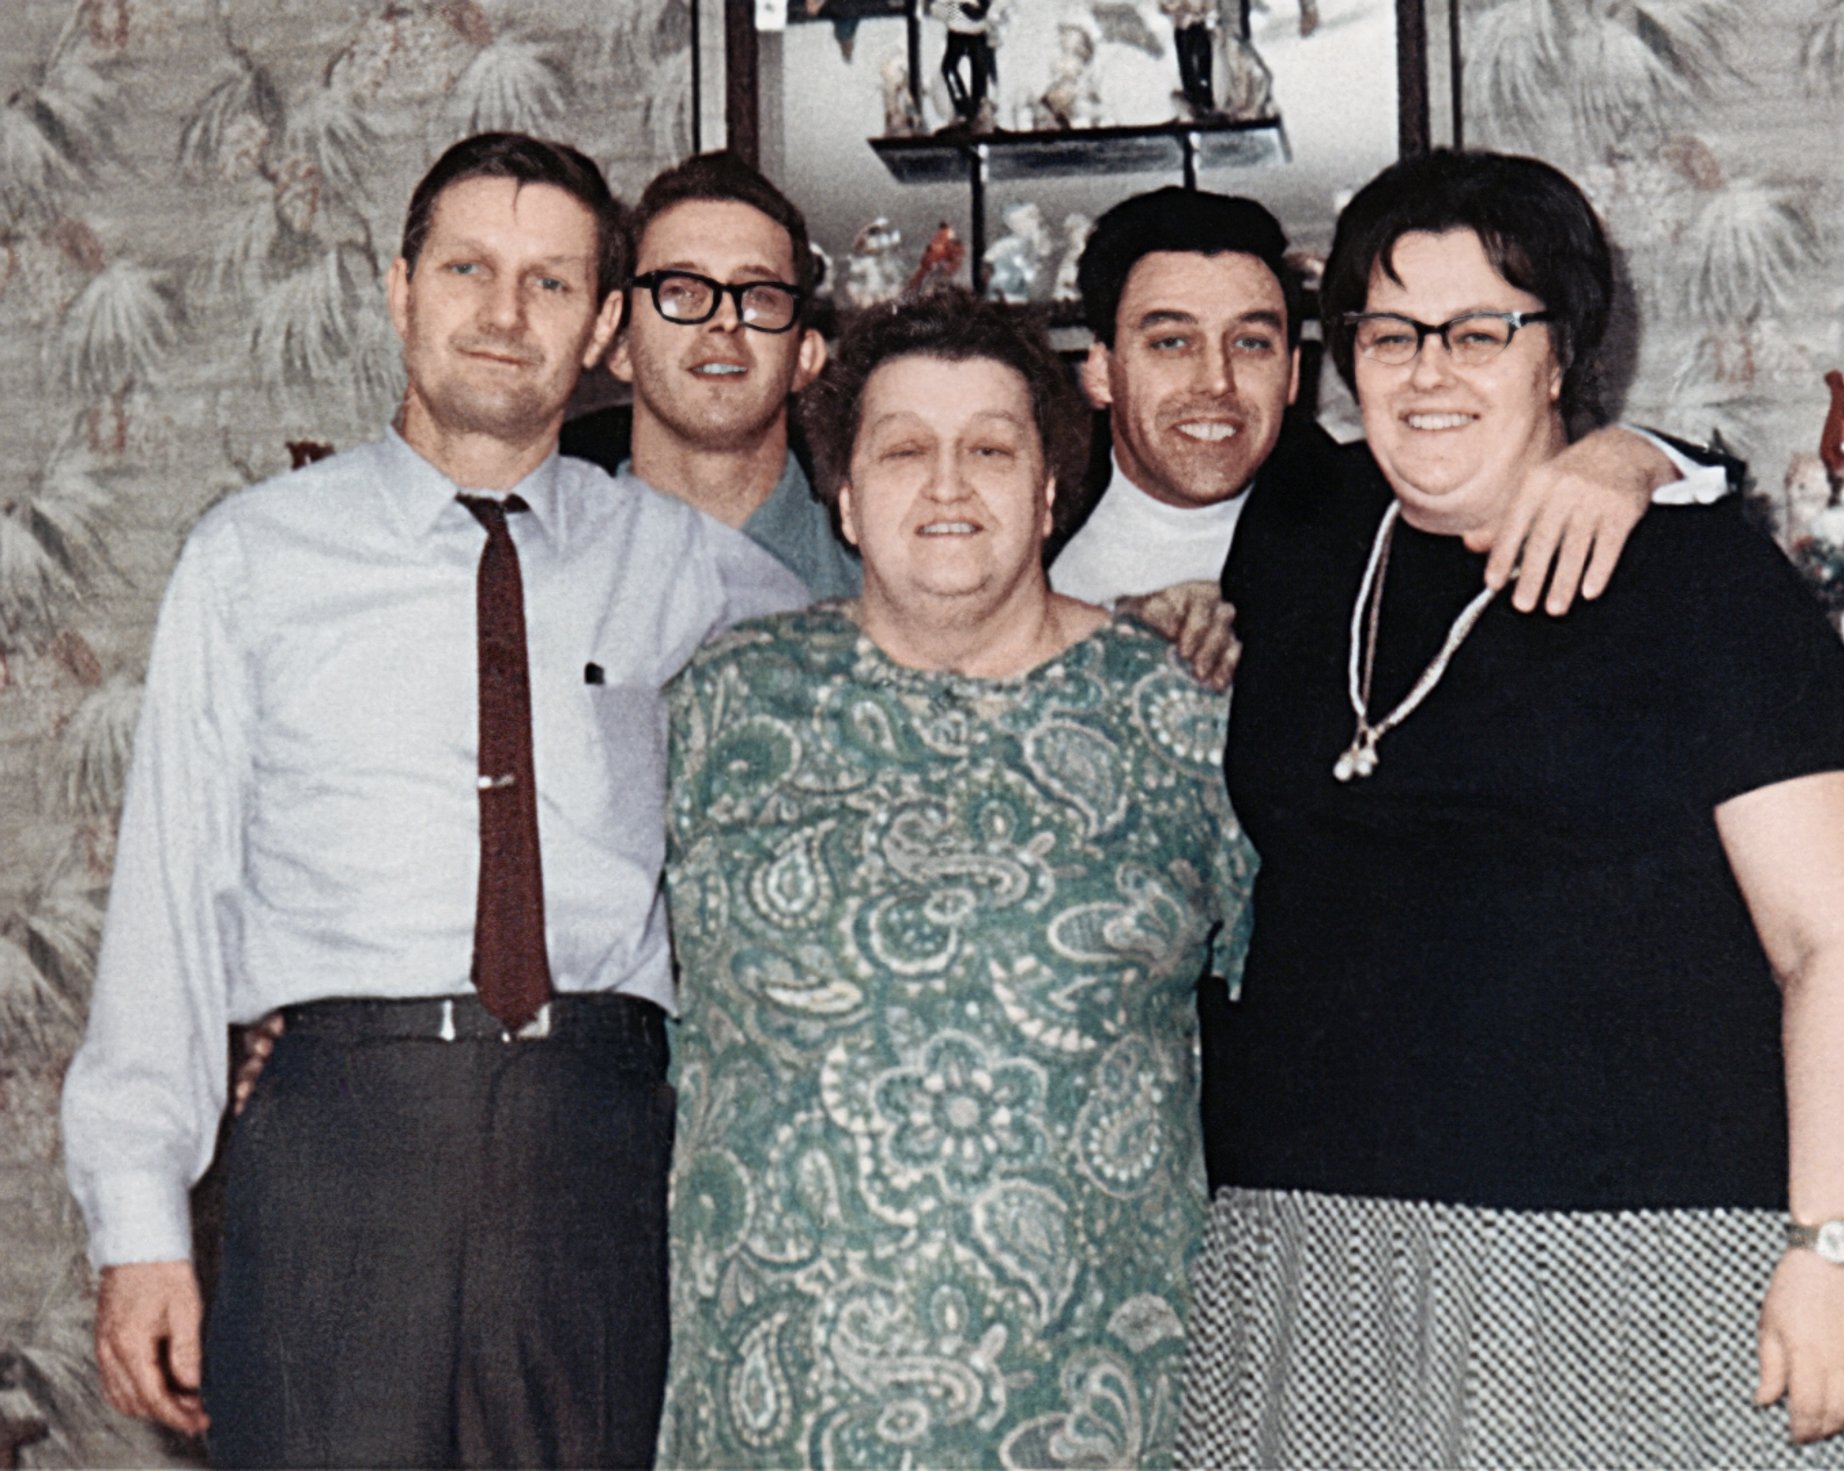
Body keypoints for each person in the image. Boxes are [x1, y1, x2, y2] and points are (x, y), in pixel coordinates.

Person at [61, 133, 804, 1468]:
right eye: (469, 269)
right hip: (338, 1148)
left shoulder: (702, 575)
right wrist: (139, 1223)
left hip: (598, 1154)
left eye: (553, 282)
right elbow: (171, 897)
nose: (505, 314)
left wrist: (1154, 618)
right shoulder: (254, 557)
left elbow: (927, 661)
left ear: (604, 332)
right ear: (399, 290)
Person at [1179, 148, 1844, 1468]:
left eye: (1480, 329)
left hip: (1633, 1261)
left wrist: (1834, 1243)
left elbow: (1835, 945)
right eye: (1388, 333)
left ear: (1557, 353)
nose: (1426, 370)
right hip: (1311, 1257)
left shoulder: (1703, 585)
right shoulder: (1304, 529)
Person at [659, 289, 1254, 1469]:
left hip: (1098, 1409)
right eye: (901, 450)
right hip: (773, 1411)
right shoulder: (721, 701)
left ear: (1046, 492)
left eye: (988, 448)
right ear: (841, 494)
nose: (945, 485)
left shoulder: (1183, 713)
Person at [1052, 186, 1732, 658]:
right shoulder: (1031, 531)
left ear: (1294, 373)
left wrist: (1629, 454)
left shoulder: (1371, 498)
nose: (1216, 382)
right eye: (1171, 342)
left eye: (1251, 343)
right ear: (1100, 370)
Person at [584, 151, 861, 601]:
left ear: (805, 357)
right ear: (620, 347)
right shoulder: (541, 576)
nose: (724, 318)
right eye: (682, 292)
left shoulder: (881, 591)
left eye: (760, 296)